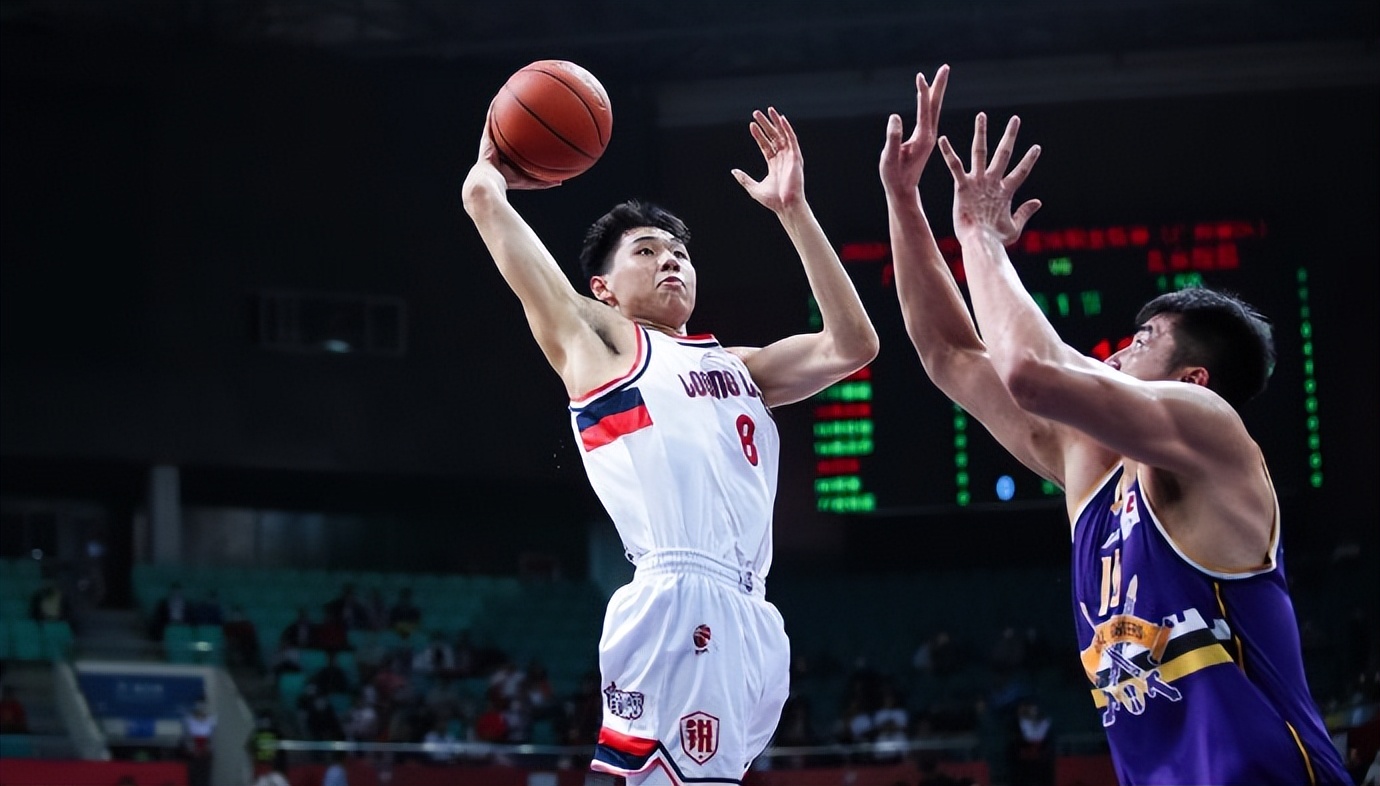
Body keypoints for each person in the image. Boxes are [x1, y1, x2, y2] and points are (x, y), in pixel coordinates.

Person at [879, 64, 1351, 785]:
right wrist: (904, 201)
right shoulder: (1092, 466)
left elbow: (1030, 370)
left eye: (1147, 337)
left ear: (1194, 378)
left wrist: (980, 236)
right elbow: (951, 355)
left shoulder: (1211, 430)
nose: (1123, 347)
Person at [463, 98, 878, 784]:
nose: (671, 263)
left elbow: (853, 344)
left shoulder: (738, 367)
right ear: (603, 288)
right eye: (647, 252)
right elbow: (484, 203)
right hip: (680, 595)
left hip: (752, 616)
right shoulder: (597, 341)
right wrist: (493, 168)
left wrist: (794, 211)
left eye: (680, 253)